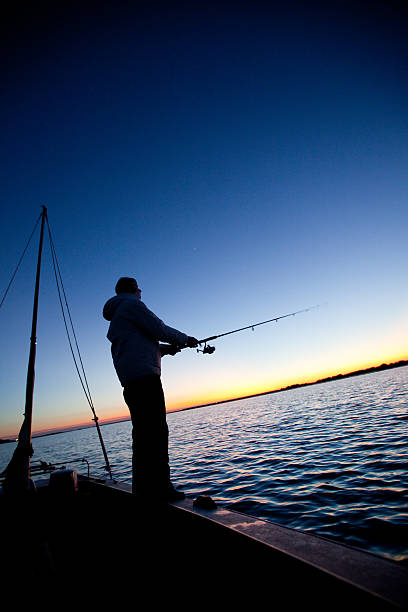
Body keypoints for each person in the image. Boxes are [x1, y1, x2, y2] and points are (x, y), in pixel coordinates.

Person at [103, 277, 198, 501]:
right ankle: (161, 488)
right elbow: (159, 328)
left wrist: (164, 350)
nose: (141, 291)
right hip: (146, 380)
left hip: (131, 382)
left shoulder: (117, 317)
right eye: (138, 288)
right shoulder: (132, 305)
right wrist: (186, 339)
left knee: (143, 436)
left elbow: (138, 345)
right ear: (133, 290)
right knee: (156, 433)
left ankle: (143, 489)